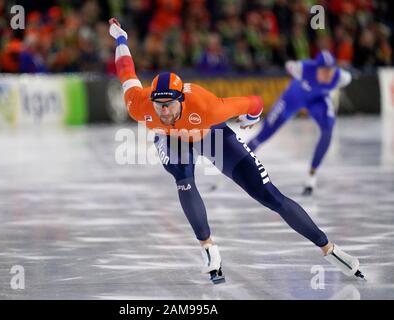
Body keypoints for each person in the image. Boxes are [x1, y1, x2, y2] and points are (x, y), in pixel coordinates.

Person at [108, 18, 364, 283]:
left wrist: (251, 119)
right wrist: (121, 38)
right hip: (171, 140)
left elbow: (255, 102)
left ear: (181, 100)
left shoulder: (208, 107)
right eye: (158, 105)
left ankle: (329, 249)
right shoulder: (139, 105)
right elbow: (126, 71)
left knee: (268, 194)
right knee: (183, 177)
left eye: (168, 105)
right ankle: (208, 248)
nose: (163, 111)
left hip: (211, 134)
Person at [247, 50, 352, 195]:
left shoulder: (342, 77)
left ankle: (311, 177)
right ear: (316, 68)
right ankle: (239, 158)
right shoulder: (303, 68)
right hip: (293, 98)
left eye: (331, 71)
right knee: (264, 134)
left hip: (317, 101)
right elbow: (288, 65)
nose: (328, 74)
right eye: (324, 71)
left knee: (328, 129)